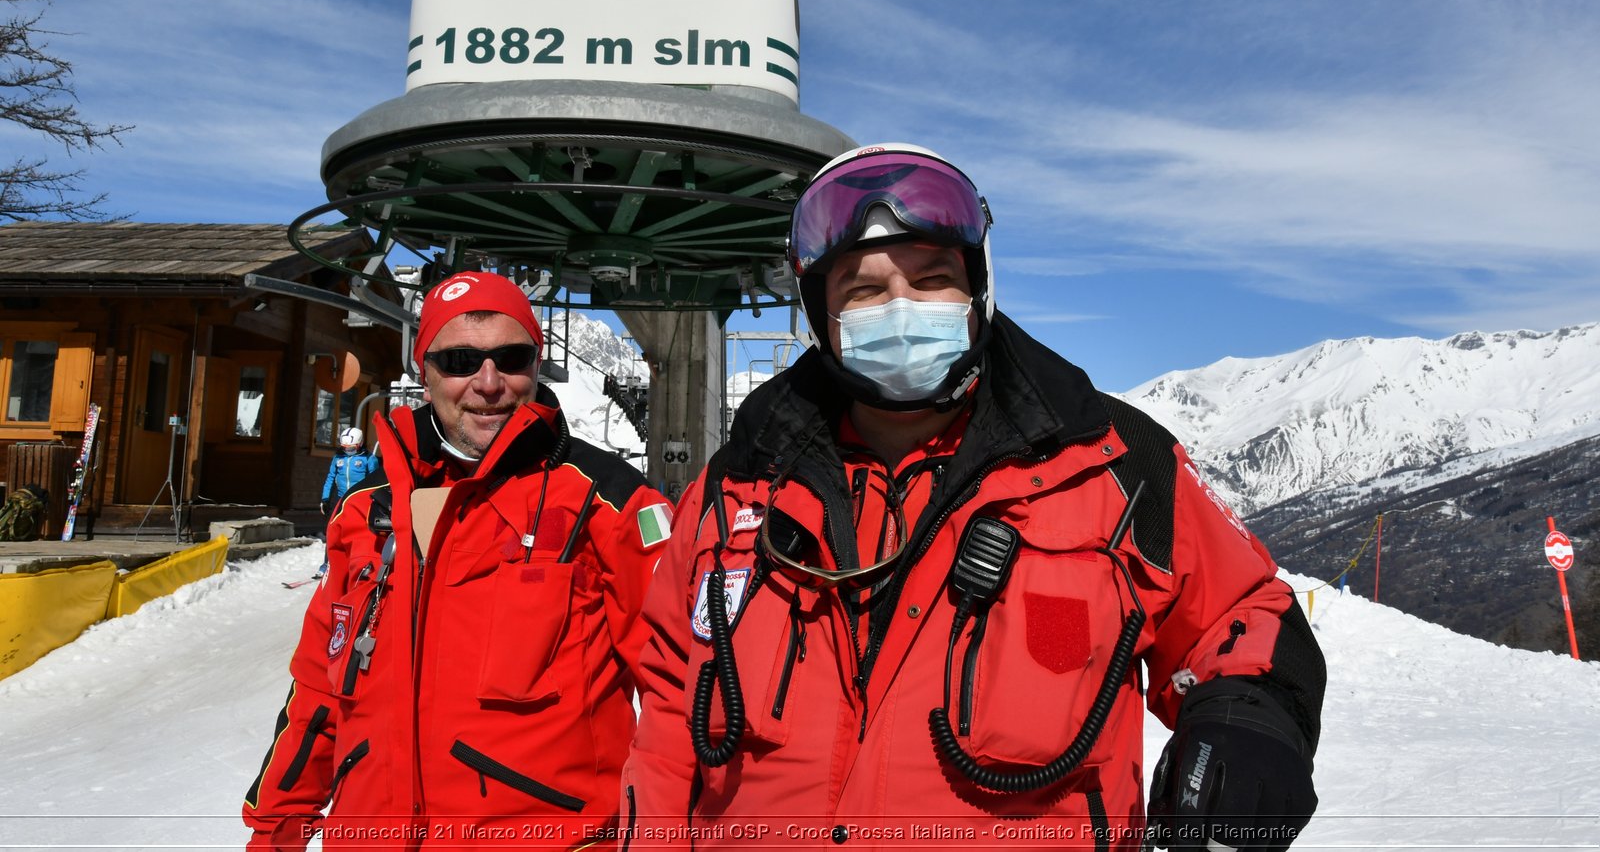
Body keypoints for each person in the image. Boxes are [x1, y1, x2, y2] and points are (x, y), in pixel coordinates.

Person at [623, 144, 1325, 851]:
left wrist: (1249, 717)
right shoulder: (739, 486)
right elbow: (668, 713)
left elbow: (1241, 614)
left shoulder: (1111, 461)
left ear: (978, 289)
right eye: (863, 291)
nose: (900, 308)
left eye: (931, 279)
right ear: (821, 314)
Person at [245, 271, 673, 850]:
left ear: (536, 366)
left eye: (512, 357)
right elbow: (318, 694)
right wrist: (277, 831)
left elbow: (688, 696)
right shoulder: (367, 515)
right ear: (425, 375)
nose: (488, 382)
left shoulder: (609, 504)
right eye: (460, 360)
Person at [321, 427, 379, 519]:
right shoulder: (338, 458)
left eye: (351, 448)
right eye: (344, 448)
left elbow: (375, 480)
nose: (348, 451)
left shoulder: (369, 458)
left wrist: (373, 499)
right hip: (341, 497)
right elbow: (331, 478)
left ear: (360, 444)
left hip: (359, 498)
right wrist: (325, 499)